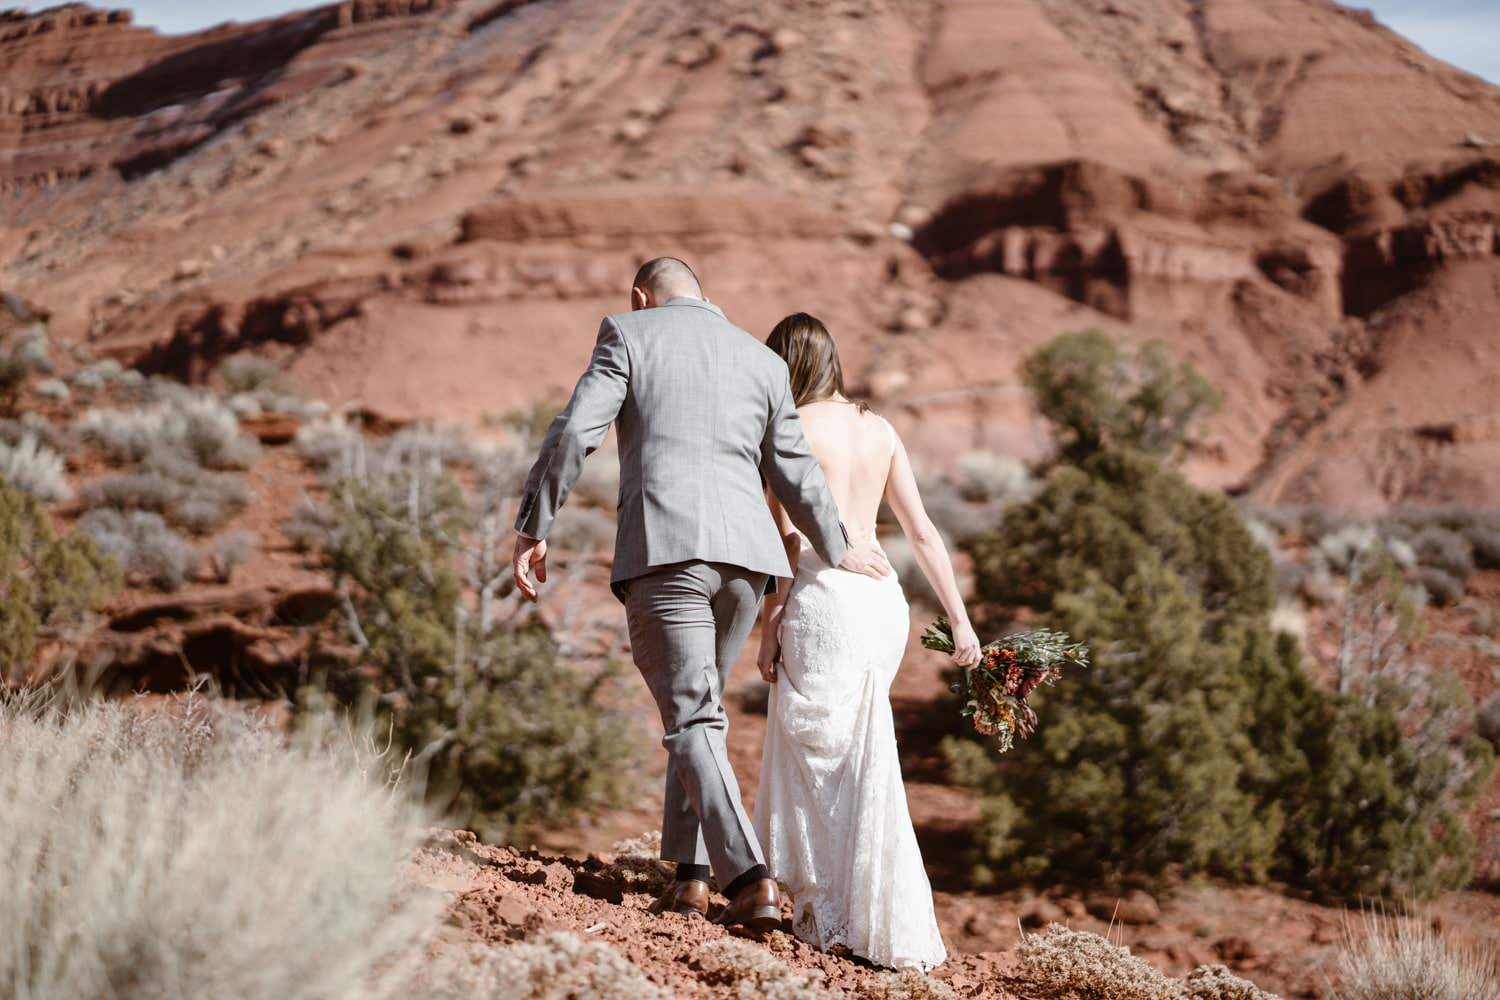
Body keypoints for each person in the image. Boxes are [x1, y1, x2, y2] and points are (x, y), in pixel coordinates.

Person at [511, 260, 892, 928]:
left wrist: (534, 523)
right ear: (706, 297)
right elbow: (796, 471)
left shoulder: (629, 334)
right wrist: (840, 543)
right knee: (702, 716)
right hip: (748, 565)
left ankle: (747, 879)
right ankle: (687, 877)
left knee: (692, 720)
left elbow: (575, 432)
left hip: (669, 553)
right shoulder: (760, 360)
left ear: (641, 296)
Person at [753, 312, 981, 970]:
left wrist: (770, 627)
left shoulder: (785, 430)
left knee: (818, 755)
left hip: (825, 599)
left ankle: (831, 914)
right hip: (883, 604)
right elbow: (924, 534)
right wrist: (960, 621)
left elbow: (786, 545)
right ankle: (869, 913)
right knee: (863, 754)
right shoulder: (878, 429)